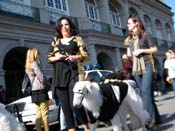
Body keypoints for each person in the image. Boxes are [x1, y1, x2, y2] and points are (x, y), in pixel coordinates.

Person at [47, 16, 90, 131]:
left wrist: (76, 57)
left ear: (70, 26)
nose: (64, 27)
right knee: (65, 108)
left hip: (74, 74)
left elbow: (86, 56)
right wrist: (57, 57)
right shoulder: (55, 40)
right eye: (62, 25)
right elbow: (48, 58)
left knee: (75, 105)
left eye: (66, 24)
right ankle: (72, 129)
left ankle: (86, 128)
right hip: (59, 76)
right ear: (59, 28)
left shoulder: (77, 39)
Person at [124, 16, 158, 127]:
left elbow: (154, 49)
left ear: (136, 23)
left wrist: (142, 50)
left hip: (147, 65)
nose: (128, 25)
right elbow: (129, 54)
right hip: (136, 68)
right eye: (127, 24)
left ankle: (148, 119)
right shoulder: (128, 39)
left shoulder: (145, 35)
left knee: (145, 93)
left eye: (129, 23)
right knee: (147, 95)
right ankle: (156, 118)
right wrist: (126, 56)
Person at [25, 48, 50, 131]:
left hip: (34, 92)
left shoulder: (28, 66)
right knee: (45, 113)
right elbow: (41, 77)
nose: (39, 54)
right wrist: (49, 85)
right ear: (34, 54)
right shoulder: (35, 64)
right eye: (38, 53)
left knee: (38, 114)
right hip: (41, 90)